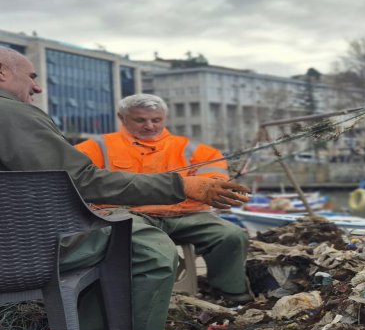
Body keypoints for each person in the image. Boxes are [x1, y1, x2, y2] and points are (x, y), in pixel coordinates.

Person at [0, 45, 249, 330]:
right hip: (8, 255)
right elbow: (82, 180)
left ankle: (79, 325)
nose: (37, 87)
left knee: (127, 235)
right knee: (150, 249)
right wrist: (181, 185)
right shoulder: (3, 112)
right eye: (32, 77)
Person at [75, 95, 252, 303]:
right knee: (154, 248)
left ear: (164, 117)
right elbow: (77, 179)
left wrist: (212, 185)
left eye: (156, 120)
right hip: (129, 216)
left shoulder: (194, 149)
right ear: (122, 118)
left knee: (231, 235)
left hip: (185, 215)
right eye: (140, 120)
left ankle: (232, 295)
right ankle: (141, 301)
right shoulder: (96, 147)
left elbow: (215, 175)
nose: (150, 126)